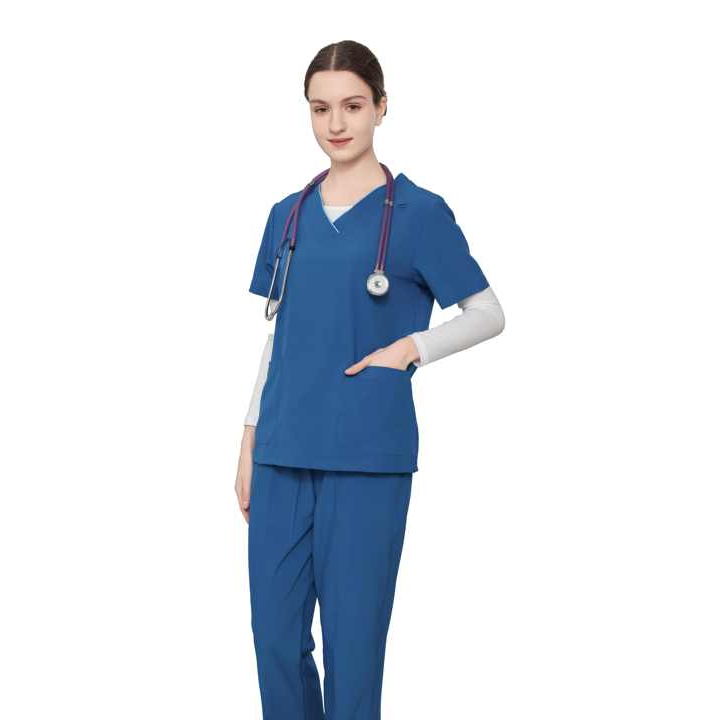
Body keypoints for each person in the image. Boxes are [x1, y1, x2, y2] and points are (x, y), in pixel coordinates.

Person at [236, 40, 505, 720]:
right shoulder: (287, 214)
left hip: (366, 456)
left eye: (352, 106)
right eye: (320, 108)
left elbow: (487, 313)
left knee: (353, 651)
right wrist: (248, 437)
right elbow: (279, 334)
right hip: (281, 451)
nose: (336, 124)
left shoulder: (418, 213)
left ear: (381, 107)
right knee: (275, 641)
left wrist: (412, 348)